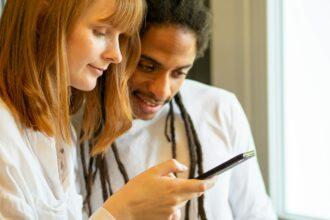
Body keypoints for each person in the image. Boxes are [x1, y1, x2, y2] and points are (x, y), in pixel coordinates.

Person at [0, 0, 215, 219]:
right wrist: (123, 210)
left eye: (121, 37)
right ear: (43, 20)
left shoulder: (60, 132)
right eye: (101, 32)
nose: (117, 55)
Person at [81, 0, 278, 219]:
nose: (161, 90)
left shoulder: (219, 108)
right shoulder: (78, 125)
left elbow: (256, 212)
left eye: (179, 73)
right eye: (147, 66)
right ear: (120, 48)